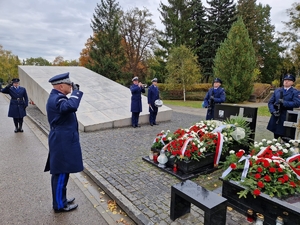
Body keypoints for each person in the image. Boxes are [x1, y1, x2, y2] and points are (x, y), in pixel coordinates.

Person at [44, 72, 83, 213]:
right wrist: (76, 93)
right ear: (61, 86)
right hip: (62, 141)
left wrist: (73, 93)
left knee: (63, 173)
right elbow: (71, 106)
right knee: (61, 173)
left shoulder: (57, 96)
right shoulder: (58, 99)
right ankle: (59, 205)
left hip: (62, 140)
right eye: (69, 84)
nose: (71, 87)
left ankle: (62, 199)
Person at [267, 74, 300, 140]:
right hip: (276, 115)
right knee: (275, 137)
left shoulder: (295, 92)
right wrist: (273, 111)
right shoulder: (277, 91)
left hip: (287, 116)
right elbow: (270, 102)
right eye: (285, 80)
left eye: (289, 80)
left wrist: (284, 102)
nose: (286, 81)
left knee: (286, 137)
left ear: (292, 82)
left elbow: (297, 103)